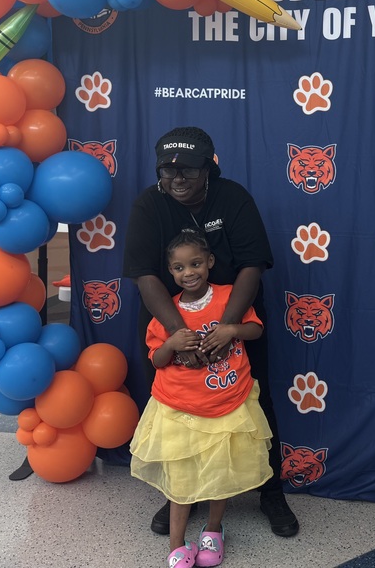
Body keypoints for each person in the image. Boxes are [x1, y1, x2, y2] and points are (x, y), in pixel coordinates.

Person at [123, 126, 300, 538]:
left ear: (209, 169)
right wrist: (177, 336)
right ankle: (180, 495)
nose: (176, 178)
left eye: (186, 169)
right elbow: (144, 275)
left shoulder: (234, 198)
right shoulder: (150, 204)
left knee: (255, 404)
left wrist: (228, 330)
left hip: (234, 315)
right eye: (167, 170)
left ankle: (270, 491)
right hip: (167, 322)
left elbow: (252, 266)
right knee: (176, 412)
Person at [130, 229, 272, 568]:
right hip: (181, 409)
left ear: (209, 262)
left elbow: (256, 329)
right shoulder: (168, 312)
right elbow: (157, 360)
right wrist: (171, 345)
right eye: (179, 268)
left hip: (228, 404)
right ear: (171, 273)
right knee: (180, 480)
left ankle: (213, 530)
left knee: (220, 474)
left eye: (195, 263)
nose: (188, 272)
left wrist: (232, 329)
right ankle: (177, 542)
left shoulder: (228, 298)